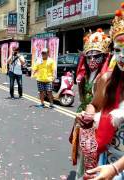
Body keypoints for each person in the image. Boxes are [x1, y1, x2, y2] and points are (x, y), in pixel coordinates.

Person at [78, 4, 124, 179]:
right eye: (118, 50)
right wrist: (88, 116)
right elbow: (94, 104)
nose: (122, 56)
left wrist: (115, 169)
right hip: (107, 160)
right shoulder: (106, 80)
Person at [69, 29, 111, 179]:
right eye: (89, 56)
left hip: (99, 122)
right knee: (82, 151)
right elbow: (83, 100)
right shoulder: (86, 76)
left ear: (104, 57)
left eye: (97, 56)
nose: (92, 60)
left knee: (95, 157)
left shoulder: (106, 77)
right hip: (84, 119)